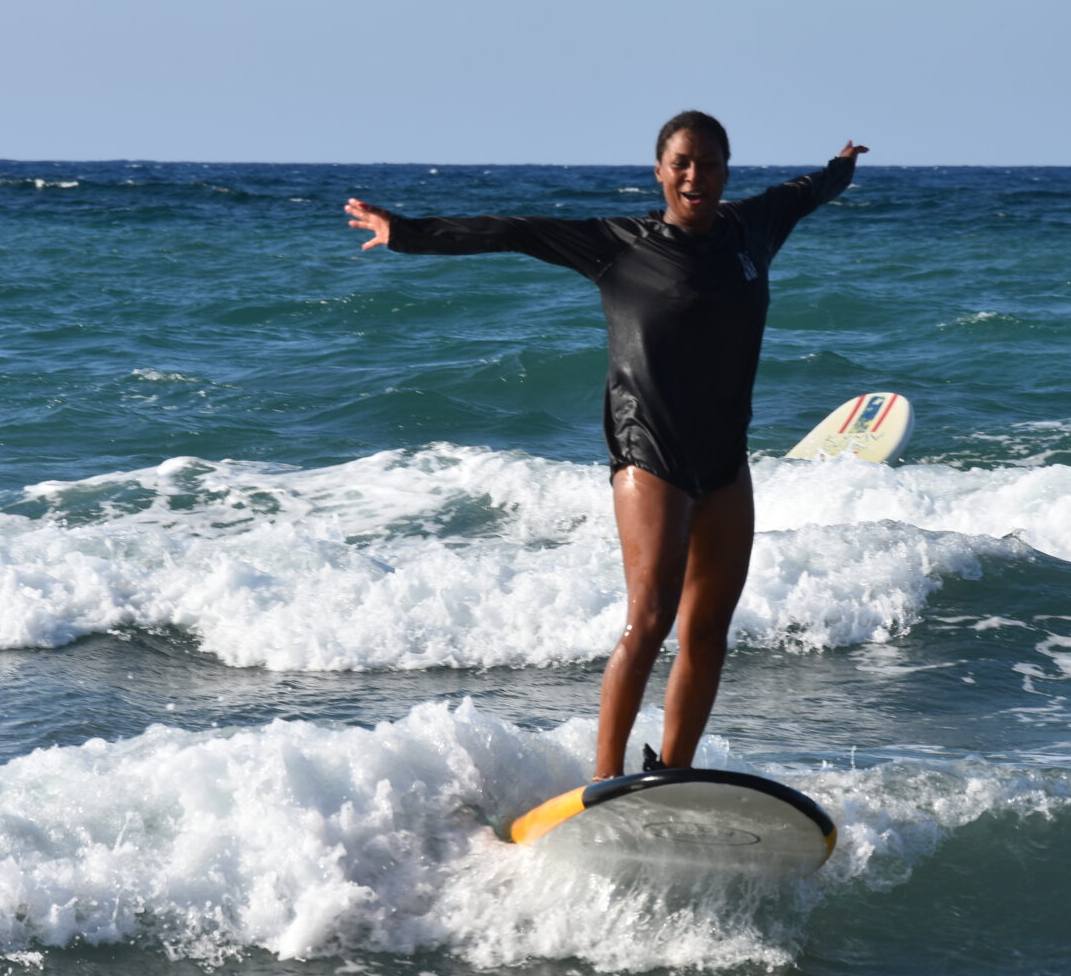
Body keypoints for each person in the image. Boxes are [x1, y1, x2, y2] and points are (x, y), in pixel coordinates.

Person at [346, 111, 866, 781]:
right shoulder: (620, 244)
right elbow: (515, 230)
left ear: (726, 171)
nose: (695, 175)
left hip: (724, 460)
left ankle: (672, 774)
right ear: (659, 172)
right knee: (649, 620)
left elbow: (806, 191)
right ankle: (605, 779)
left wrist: (841, 168)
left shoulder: (752, 229)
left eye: (709, 163)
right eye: (681, 163)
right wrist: (407, 233)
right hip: (650, 456)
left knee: (708, 631)